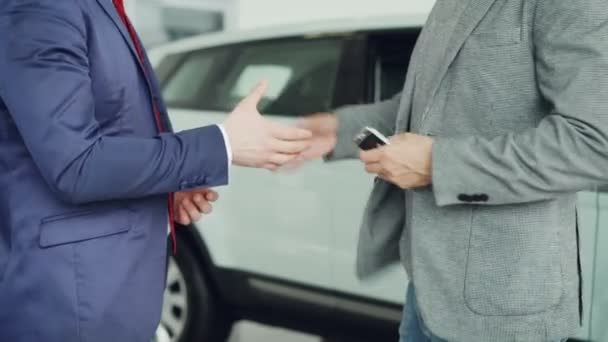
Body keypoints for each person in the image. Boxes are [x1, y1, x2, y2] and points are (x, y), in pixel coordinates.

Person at [0, 0, 311, 341]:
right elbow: (76, 164)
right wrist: (223, 144)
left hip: (115, 291)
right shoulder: (43, 7)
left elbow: (115, 133)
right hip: (72, 302)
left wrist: (167, 187)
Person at [299, 0, 608, 341]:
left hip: (503, 308)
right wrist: (340, 129)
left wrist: (438, 163)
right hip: (428, 292)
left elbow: (594, 143)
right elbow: (430, 106)